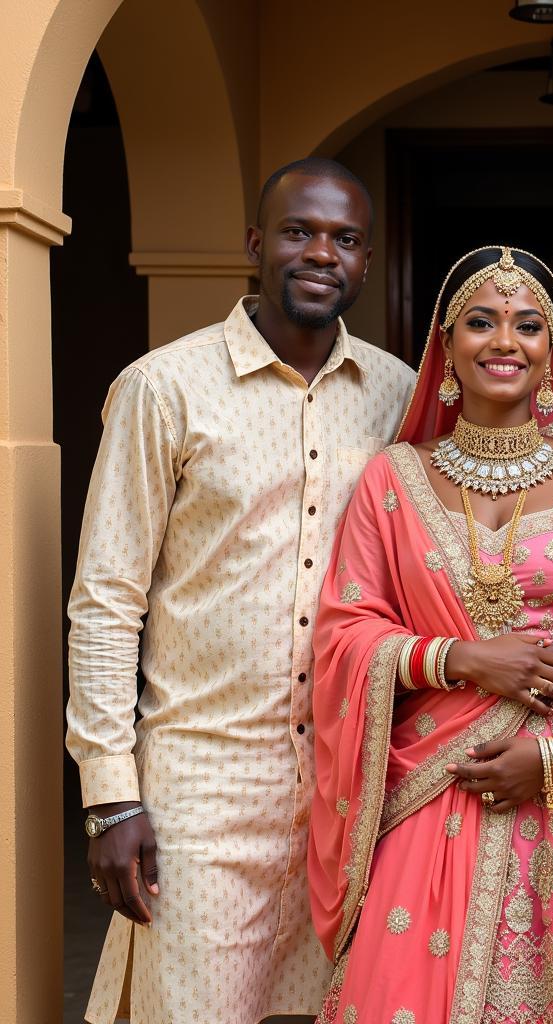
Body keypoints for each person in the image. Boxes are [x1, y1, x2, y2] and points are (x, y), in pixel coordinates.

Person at [65, 157, 416, 1023]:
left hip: (348, 785)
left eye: (345, 239)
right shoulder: (165, 388)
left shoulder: (398, 396)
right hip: (202, 790)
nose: (321, 254)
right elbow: (106, 599)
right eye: (300, 232)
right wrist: (110, 795)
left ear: (367, 263)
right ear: (257, 246)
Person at [308, 245, 553, 1023]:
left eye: (527, 326)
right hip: (435, 786)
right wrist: (460, 658)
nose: (504, 342)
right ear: (446, 346)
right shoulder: (392, 478)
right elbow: (345, 634)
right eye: (480, 322)